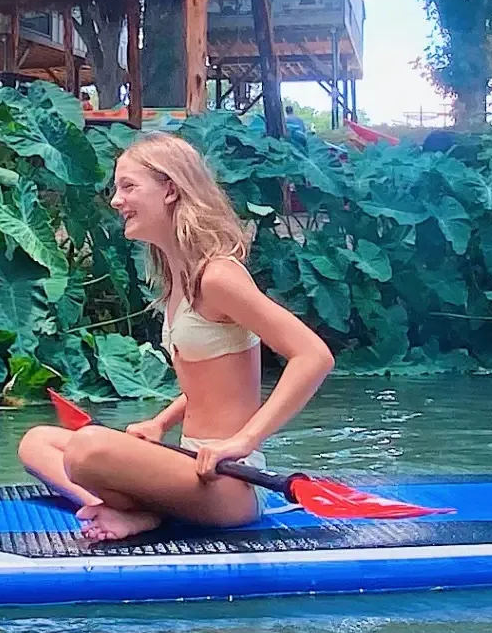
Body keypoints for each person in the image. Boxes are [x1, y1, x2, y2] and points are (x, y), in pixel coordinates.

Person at [19, 133, 335, 542]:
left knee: (88, 448)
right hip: (188, 464)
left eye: (128, 186)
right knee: (37, 442)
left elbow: (314, 356)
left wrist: (242, 442)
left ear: (170, 189)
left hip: (230, 481)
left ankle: (146, 515)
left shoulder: (218, 276)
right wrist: (159, 422)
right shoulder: (177, 280)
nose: (116, 200)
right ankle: (134, 512)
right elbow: (209, 383)